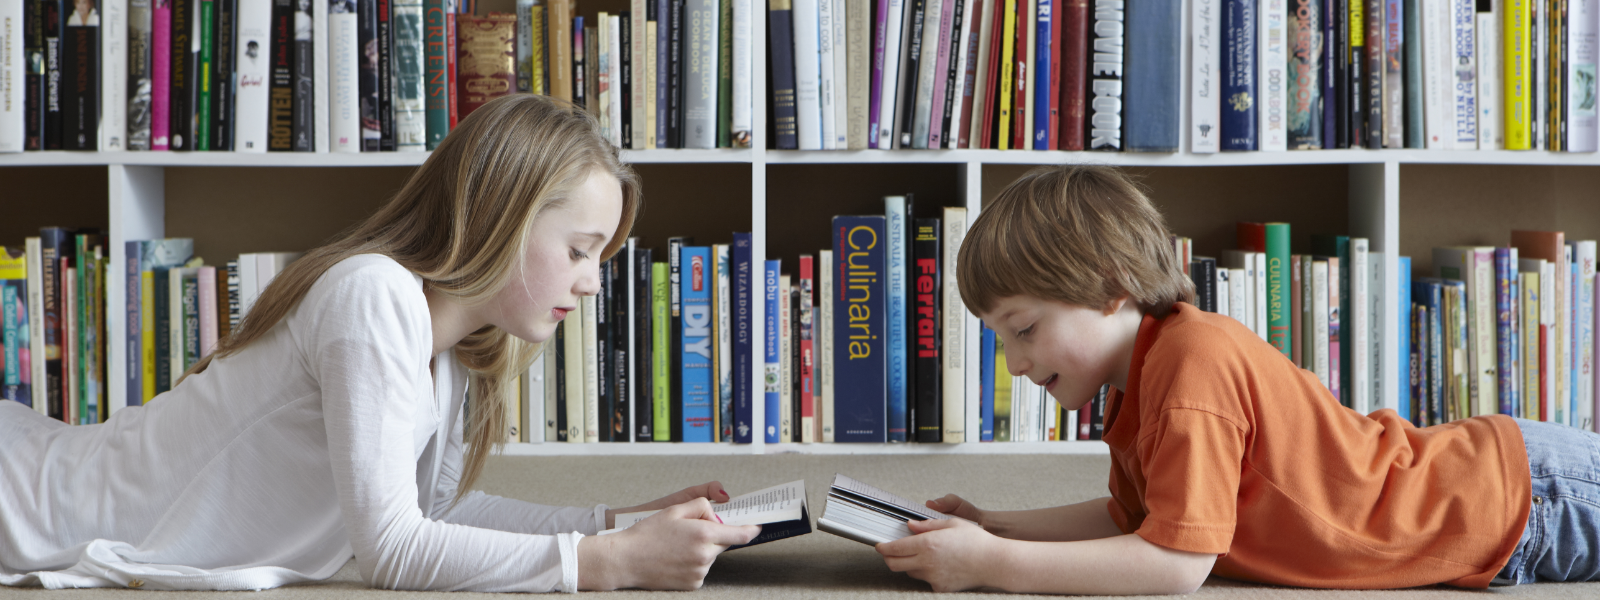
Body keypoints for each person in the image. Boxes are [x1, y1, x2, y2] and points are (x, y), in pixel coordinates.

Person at [0, 94, 759, 593]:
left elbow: (430, 514)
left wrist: (613, 521)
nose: (593, 284)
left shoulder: (454, 350)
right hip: (23, 500)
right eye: (579, 250)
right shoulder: (374, 296)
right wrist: (608, 565)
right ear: (502, 217)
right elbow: (392, 552)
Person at [874, 164, 1599, 594]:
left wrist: (992, 564)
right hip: (1507, 492)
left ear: (1110, 287)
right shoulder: (1140, 378)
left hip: (1524, 498)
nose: (1014, 362)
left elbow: (1177, 564)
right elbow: (1137, 522)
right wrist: (992, 521)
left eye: (1024, 328)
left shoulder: (1192, 365)